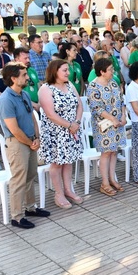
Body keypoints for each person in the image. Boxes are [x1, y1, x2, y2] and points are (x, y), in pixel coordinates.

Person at [0, 62, 50, 229]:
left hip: (30, 141)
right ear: (13, 78)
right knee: (19, 180)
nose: (27, 77)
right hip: (17, 144)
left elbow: (32, 117)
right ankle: (17, 217)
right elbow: (13, 129)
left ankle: (30, 208)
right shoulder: (5, 100)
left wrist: (37, 138)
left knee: (30, 175)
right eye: (24, 75)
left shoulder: (24, 94)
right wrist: (30, 143)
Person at [38, 59, 84, 209]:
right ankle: (59, 193)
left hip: (72, 131)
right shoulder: (46, 89)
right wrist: (70, 125)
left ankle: (68, 189)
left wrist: (76, 122)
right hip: (55, 134)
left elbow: (79, 105)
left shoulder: (69, 85)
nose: (68, 73)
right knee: (57, 163)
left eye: (68, 70)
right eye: (64, 70)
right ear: (54, 71)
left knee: (68, 161)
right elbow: (50, 114)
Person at [87, 58, 127, 196]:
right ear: (102, 72)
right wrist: (113, 119)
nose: (112, 72)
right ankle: (104, 183)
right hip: (104, 126)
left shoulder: (113, 83)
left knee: (114, 151)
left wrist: (123, 116)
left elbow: (121, 100)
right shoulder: (93, 86)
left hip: (117, 124)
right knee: (106, 152)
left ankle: (112, 178)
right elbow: (96, 108)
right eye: (110, 69)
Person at [13, 48, 41, 112]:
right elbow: (17, 94)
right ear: (17, 59)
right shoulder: (14, 75)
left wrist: (39, 103)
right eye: (25, 58)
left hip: (38, 105)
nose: (28, 60)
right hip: (24, 107)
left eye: (29, 58)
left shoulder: (32, 70)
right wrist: (33, 104)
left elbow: (38, 87)